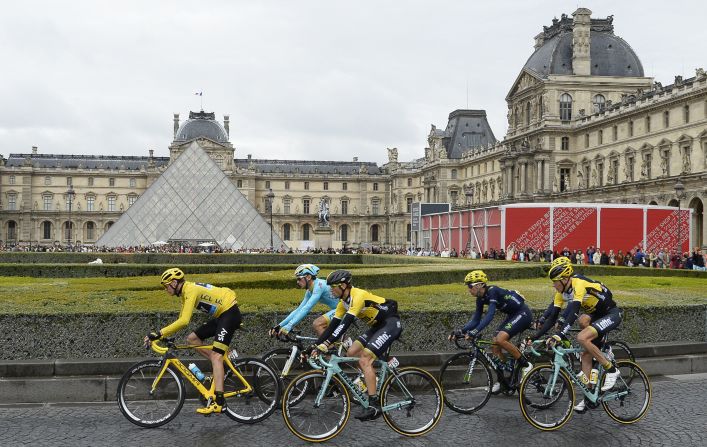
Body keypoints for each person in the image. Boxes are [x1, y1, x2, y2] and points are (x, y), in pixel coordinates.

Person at [531, 257, 622, 414]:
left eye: (555, 281)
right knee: (585, 355)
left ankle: (611, 369)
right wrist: (534, 337)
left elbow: (572, 312)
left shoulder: (578, 284)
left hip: (611, 313)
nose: (553, 285)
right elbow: (553, 317)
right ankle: (589, 396)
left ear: (565, 279)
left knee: (582, 337)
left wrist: (559, 335)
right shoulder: (561, 292)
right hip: (595, 315)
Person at [145, 268, 241, 415]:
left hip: (229, 313)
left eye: (166, 286)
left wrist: (159, 333)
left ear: (175, 282)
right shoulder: (185, 292)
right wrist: (161, 335)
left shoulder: (190, 290)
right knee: (192, 339)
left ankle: (220, 403)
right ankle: (221, 365)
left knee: (216, 356)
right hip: (222, 315)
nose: (166, 290)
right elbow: (180, 320)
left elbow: (184, 321)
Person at [312, 269, 402, 421]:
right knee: (351, 352)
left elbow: (345, 325)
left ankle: (374, 404)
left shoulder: (357, 295)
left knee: (364, 359)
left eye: (332, 286)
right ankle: (370, 378)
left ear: (343, 286)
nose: (330, 290)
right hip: (377, 327)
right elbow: (333, 326)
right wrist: (314, 346)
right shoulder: (343, 303)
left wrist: (327, 343)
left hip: (391, 323)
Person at [449, 270, 534, 392]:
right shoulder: (480, 299)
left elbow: (490, 315)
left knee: (500, 339)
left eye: (470, 286)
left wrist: (475, 332)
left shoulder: (492, 291)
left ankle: (526, 365)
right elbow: (476, 320)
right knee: (495, 344)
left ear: (479, 285)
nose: (469, 290)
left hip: (523, 313)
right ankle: (503, 381)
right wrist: (460, 331)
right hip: (512, 315)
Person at [270, 264, 338, 338]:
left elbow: (306, 308)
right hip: (337, 309)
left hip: (344, 308)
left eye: (299, 279)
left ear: (308, 277)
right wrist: (279, 325)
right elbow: (299, 309)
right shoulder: (310, 291)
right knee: (330, 332)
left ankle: (330, 348)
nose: (297, 282)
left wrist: (289, 325)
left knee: (317, 324)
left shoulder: (319, 286)